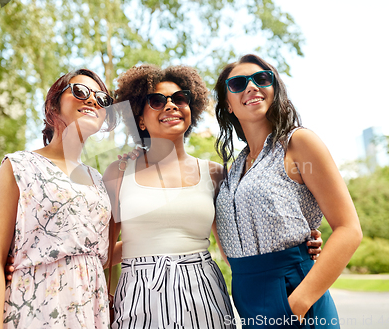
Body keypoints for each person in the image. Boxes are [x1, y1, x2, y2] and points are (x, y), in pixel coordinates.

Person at [102, 64, 323, 329]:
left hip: (203, 292)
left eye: (180, 98)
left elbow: (233, 244)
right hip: (138, 294)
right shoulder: (119, 171)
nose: (171, 106)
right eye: (157, 101)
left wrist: (299, 245)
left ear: (190, 110)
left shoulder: (216, 173)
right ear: (139, 119)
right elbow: (102, 252)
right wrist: (105, 294)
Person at [214, 54, 363, 328]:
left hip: (295, 296)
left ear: (275, 89)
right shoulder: (232, 171)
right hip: (247, 299)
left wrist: (297, 304)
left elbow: (349, 229)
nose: (251, 87)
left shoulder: (298, 143)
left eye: (261, 79)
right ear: (228, 104)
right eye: (237, 83)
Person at [0, 69, 117, 329]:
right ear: (53, 105)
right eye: (80, 91)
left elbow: (94, 254)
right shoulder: (19, 166)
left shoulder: (97, 179)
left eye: (102, 99)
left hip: (91, 314)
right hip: (36, 310)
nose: (92, 100)